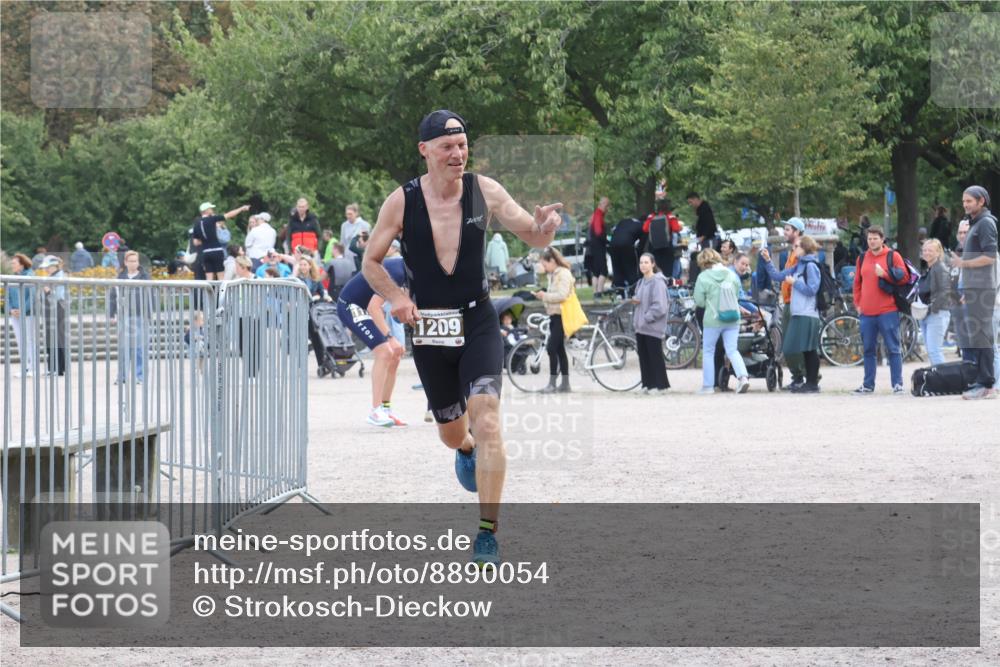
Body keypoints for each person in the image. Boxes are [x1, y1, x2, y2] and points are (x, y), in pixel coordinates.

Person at [361, 109, 563, 567]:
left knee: (487, 417)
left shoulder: (483, 190)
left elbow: (531, 235)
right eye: (448, 146)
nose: (457, 154)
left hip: (477, 321)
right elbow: (371, 262)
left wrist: (543, 228)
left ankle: (487, 532)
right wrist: (394, 296)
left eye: (463, 145)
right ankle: (466, 449)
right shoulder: (402, 202)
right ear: (425, 150)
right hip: (430, 328)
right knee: (453, 434)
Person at [338, 257, 410, 427]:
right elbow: (373, 307)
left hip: (365, 307)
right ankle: (375, 410)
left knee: (395, 355)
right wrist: (390, 337)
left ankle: (385, 408)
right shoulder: (397, 272)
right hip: (351, 305)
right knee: (385, 352)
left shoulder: (407, 270)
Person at [950, 185, 997, 399]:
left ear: (981, 201)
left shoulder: (986, 223)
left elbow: (990, 256)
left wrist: (963, 263)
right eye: (963, 201)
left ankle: (987, 384)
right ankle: (983, 382)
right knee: (977, 335)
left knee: (982, 335)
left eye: (969, 201)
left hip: (982, 288)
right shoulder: (975, 223)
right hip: (973, 288)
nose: (965, 204)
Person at [852, 225, 909, 395]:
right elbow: (857, 283)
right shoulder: (862, 258)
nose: (872, 241)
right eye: (869, 238)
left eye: (875, 238)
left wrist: (884, 274)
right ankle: (868, 384)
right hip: (867, 312)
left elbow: (904, 277)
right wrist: (857, 303)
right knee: (868, 349)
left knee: (893, 347)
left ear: (882, 239)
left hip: (888, 310)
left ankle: (897, 384)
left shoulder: (893, 255)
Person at [763, 236, 823, 393]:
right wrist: (768, 261)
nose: (793, 249)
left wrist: (795, 283)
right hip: (799, 313)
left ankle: (812, 383)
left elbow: (812, 289)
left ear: (805, 248)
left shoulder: (810, 266)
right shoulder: (798, 266)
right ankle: (809, 382)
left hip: (808, 313)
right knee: (797, 348)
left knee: (808, 349)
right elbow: (777, 276)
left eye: (796, 246)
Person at [759, 217, 808, 390]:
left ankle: (807, 376)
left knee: (793, 343)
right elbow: (780, 276)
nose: (784, 232)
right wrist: (767, 261)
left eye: (787, 229)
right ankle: (799, 377)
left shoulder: (800, 253)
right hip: (788, 302)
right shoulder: (792, 251)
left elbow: (784, 276)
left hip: (797, 303)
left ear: (797, 232)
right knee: (790, 343)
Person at [693, 248, 750, 394]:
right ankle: (743, 377)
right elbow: (736, 296)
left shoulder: (703, 277)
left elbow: (699, 301)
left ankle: (708, 386)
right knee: (732, 350)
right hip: (733, 318)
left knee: (708, 351)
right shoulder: (731, 274)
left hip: (713, 320)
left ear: (703, 262)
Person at [532, 247, 574, 394]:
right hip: (555, 315)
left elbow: (562, 295)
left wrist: (545, 296)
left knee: (551, 348)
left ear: (552, 261)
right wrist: (544, 296)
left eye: (545, 264)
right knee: (560, 349)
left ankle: (552, 383)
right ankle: (565, 383)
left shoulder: (563, 274)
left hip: (562, 315)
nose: (544, 268)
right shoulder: (554, 274)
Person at [109, 250, 152, 384]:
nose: (133, 263)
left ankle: (141, 377)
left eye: (135, 260)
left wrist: (149, 314)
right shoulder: (120, 278)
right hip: (124, 316)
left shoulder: (145, 277)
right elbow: (113, 296)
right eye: (131, 261)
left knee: (140, 348)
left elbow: (150, 297)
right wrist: (112, 314)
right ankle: (122, 377)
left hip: (140, 315)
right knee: (123, 348)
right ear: (126, 262)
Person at [632, 252, 670, 394]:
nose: (643, 265)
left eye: (646, 262)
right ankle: (647, 384)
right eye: (641, 262)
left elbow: (660, 306)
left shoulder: (657, 282)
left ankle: (661, 386)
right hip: (641, 326)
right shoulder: (641, 282)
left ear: (653, 264)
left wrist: (647, 317)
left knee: (655, 356)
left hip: (652, 326)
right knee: (644, 357)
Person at [193, 202, 251, 280]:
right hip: (216, 250)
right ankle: (222, 291)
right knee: (221, 276)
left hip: (206, 252)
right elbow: (229, 215)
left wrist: (205, 240)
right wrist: (241, 209)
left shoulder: (196, 224)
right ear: (206, 210)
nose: (212, 210)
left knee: (209, 277)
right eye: (210, 209)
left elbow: (195, 242)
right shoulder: (212, 219)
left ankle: (208, 292)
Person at [918, 238, 954, 366]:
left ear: (938, 252)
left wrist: (931, 308)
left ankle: (943, 382)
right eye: (925, 250)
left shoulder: (940, 268)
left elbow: (945, 292)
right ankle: (938, 380)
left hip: (937, 314)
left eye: (930, 250)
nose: (927, 253)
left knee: (934, 350)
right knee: (931, 350)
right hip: (927, 314)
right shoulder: (929, 268)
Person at [7, 253, 37, 376]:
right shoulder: (12, 278)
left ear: (22, 264)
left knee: (29, 340)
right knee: (20, 341)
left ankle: (33, 368)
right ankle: (25, 367)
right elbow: (7, 297)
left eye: (14, 263)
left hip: (28, 314)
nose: (12, 265)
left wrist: (22, 310)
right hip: (15, 315)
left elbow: (32, 296)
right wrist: (10, 310)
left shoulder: (30, 276)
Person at [38, 255, 67, 376]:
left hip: (58, 309)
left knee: (58, 338)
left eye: (48, 267)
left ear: (54, 266)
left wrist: (48, 291)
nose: (46, 269)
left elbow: (59, 295)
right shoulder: (52, 276)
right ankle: (52, 367)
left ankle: (59, 368)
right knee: (51, 337)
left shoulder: (60, 277)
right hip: (50, 310)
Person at [643, 198, 681, 280]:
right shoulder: (671, 216)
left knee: (655, 267)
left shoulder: (651, 216)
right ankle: (666, 286)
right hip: (667, 247)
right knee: (667, 269)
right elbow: (676, 229)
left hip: (653, 247)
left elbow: (645, 229)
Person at [608, 216, 644, 290]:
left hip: (613, 244)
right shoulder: (641, 225)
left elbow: (614, 230)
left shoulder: (623, 221)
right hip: (626, 244)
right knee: (630, 267)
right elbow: (642, 243)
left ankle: (619, 290)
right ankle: (633, 289)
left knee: (617, 267)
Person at [588, 196, 610, 296]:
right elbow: (598, 231)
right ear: (601, 204)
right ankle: (599, 292)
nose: (608, 207)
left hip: (592, 247)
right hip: (598, 247)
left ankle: (595, 292)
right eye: (606, 204)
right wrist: (606, 241)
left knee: (595, 270)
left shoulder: (594, 215)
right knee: (603, 270)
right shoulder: (598, 215)